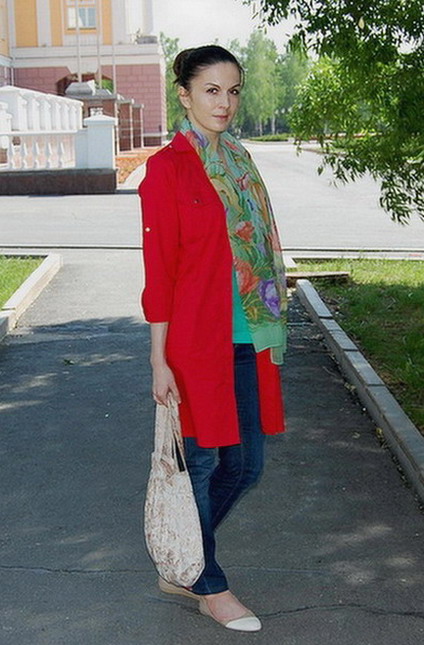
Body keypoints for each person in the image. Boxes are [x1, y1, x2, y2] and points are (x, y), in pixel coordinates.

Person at [139, 44, 288, 632]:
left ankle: (181, 557)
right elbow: (160, 272)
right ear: (184, 95)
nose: (224, 102)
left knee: (246, 465)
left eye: (233, 91)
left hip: (248, 333)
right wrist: (158, 360)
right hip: (194, 341)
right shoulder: (167, 170)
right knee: (199, 463)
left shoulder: (241, 161)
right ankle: (207, 582)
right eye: (211, 90)